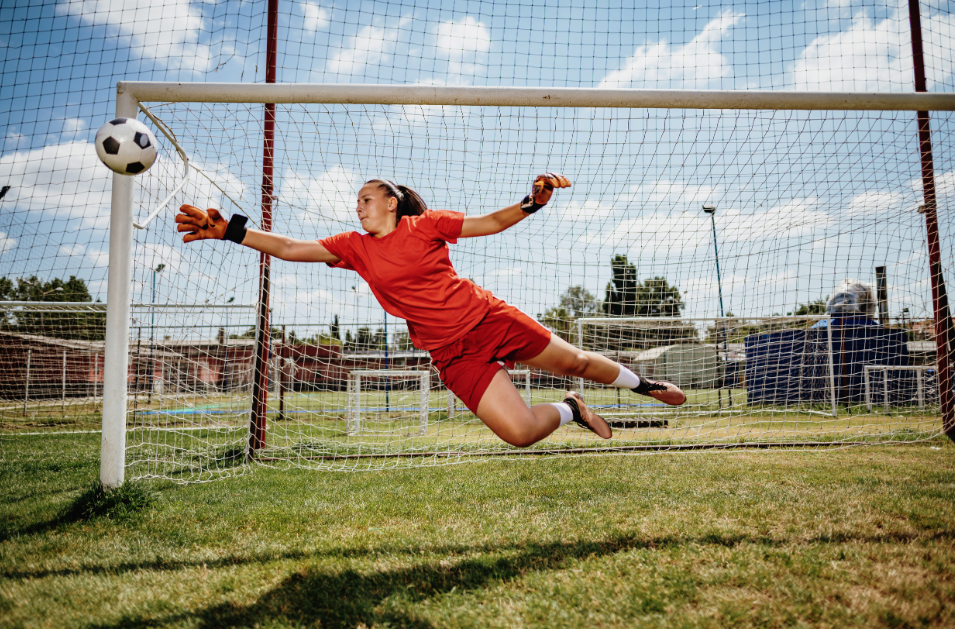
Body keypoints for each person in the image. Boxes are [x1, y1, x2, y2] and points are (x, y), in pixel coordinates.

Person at [175, 174, 686, 447]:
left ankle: (644, 386)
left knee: (574, 360)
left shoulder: (427, 226)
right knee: (522, 434)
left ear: (392, 203)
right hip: (450, 352)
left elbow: (489, 223)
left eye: (367, 198)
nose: (359, 206)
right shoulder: (353, 247)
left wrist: (532, 203)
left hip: (488, 319)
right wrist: (230, 231)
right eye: (356, 201)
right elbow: (288, 247)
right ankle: (572, 409)